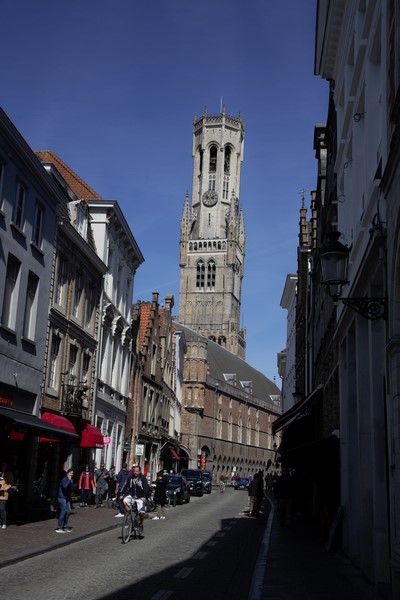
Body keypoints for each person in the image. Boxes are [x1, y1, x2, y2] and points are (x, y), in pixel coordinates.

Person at [120, 465, 150, 534]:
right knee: (124, 501)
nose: (135, 472)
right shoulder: (130, 477)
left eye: (137, 471)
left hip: (140, 497)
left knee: (142, 512)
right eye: (134, 471)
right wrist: (122, 493)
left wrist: (144, 496)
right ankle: (128, 515)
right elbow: (125, 485)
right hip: (132, 495)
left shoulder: (143, 478)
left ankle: (141, 524)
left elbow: (146, 488)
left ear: (139, 471)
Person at [56, 469, 74, 533]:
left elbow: (70, 489)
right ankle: (59, 527)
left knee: (68, 511)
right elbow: (64, 487)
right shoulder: (64, 479)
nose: (71, 474)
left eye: (72, 473)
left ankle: (65, 526)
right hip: (61, 497)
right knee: (63, 511)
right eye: (70, 473)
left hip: (66, 498)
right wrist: (69, 480)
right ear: (67, 473)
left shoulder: (70, 480)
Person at [0, 462, 14, 529]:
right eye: (2, 465)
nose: (3, 467)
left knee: (1, 508)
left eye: (4, 465)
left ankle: (4, 523)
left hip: (3, 493)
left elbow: (11, 483)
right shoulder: (0, 473)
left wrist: (5, 489)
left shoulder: (9, 473)